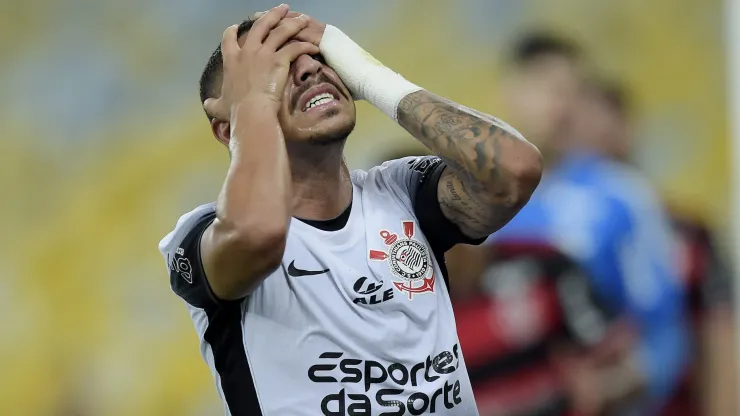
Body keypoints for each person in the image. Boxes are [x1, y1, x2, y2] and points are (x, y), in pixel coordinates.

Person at [158, 5, 542, 415]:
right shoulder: (201, 234)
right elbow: (259, 234)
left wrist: (370, 75)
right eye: (278, 68)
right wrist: (252, 105)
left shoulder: (401, 191)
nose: (310, 69)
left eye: (320, 56)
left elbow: (515, 171)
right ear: (230, 128)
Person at [489, 33, 689, 413]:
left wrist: (603, 390)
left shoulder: (624, 197)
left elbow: (665, 337)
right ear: (511, 91)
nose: (561, 108)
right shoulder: (471, 204)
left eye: (572, 93)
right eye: (547, 89)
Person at [573, 79, 737, 416]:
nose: (591, 137)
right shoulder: (558, 242)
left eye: (601, 121)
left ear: (627, 128)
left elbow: (720, 337)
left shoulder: (687, 231)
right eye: (578, 126)